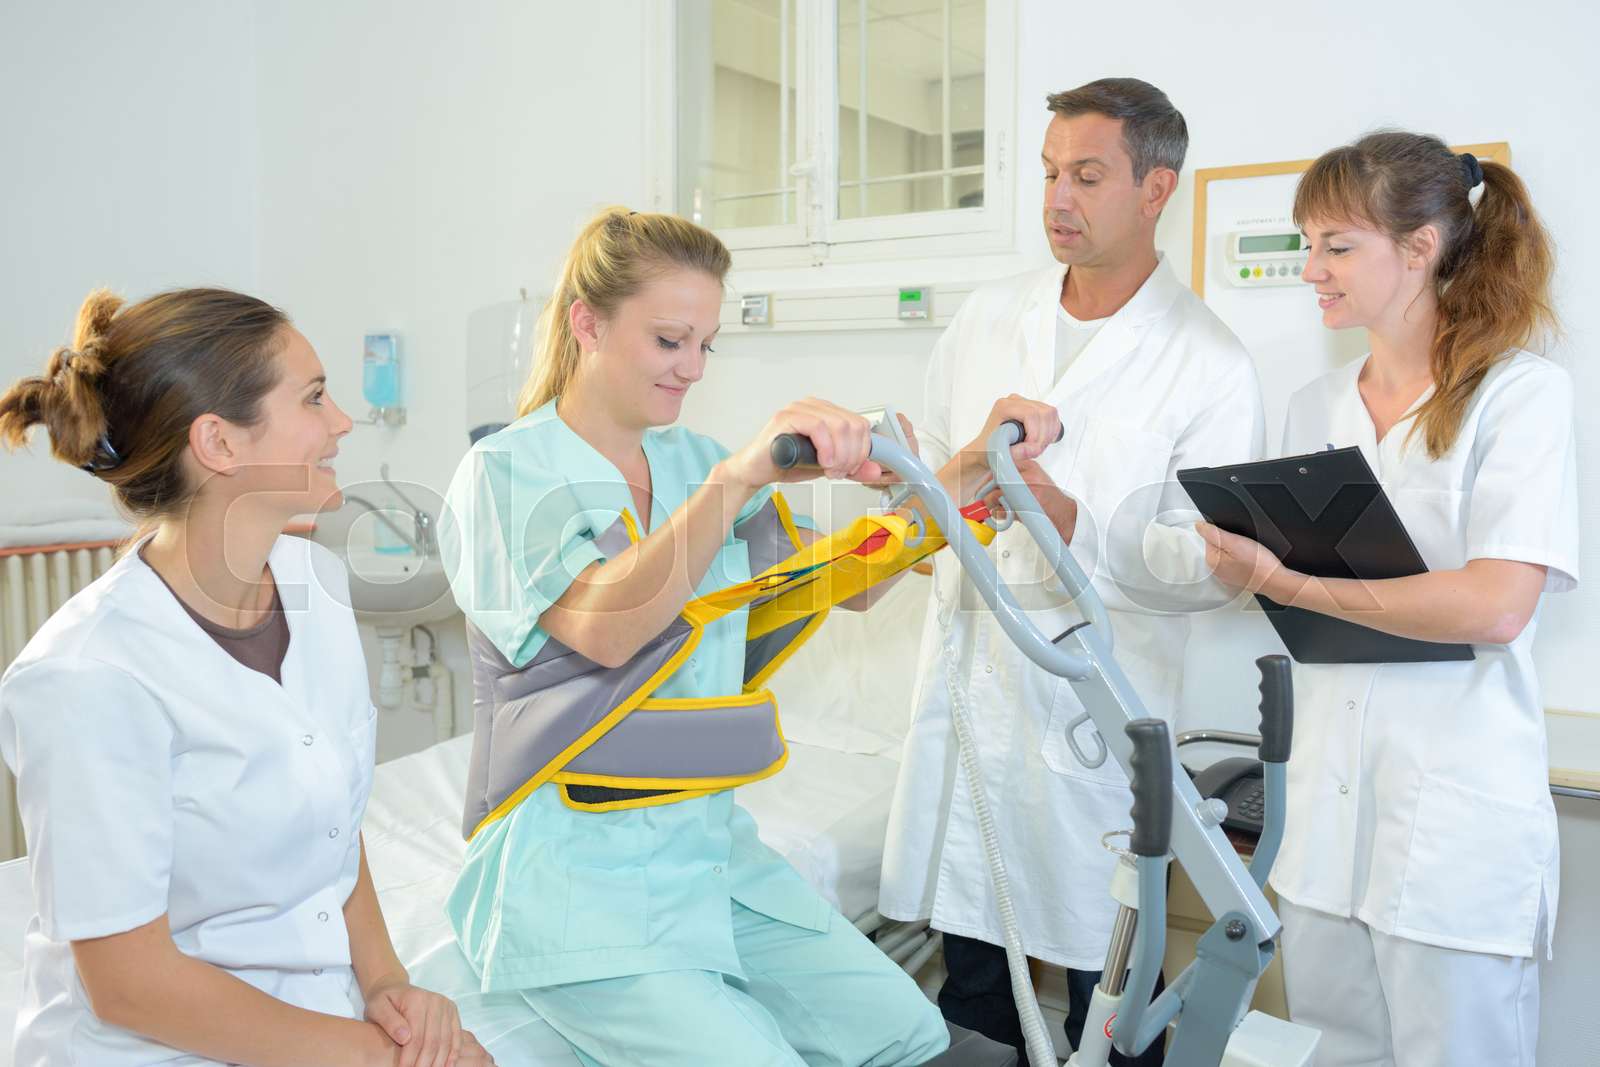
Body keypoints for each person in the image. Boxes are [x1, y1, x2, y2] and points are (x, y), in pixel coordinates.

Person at [438, 208, 962, 1067]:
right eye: (670, 340)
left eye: (705, 345)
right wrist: (737, 477)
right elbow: (604, 629)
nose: (691, 368)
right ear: (587, 323)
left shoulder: (693, 460)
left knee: (909, 1033)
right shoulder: (505, 473)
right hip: (577, 880)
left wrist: (954, 481)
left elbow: (840, 590)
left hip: (712, 856)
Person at [0, 288, 492, 1067]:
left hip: (316, 1019)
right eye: (315, 398)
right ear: (220, 444)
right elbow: (129, 983)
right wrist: (374, 1057)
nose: (341, 423)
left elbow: (333, 824)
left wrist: (388, 987)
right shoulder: (86, 674)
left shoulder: (315, 585)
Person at [878, 77, 1266, 1066]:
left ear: (1154, 189)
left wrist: (1074, 524)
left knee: (1117, 1004)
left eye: (1086, 175)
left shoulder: (1210, 362)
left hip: (1094, 737)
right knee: (976, 995)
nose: (1057, 196)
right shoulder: (985, 317)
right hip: (974, 705)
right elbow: (919, 489)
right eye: (1050, 171)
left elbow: (1215, 563)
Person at [1198, 132, 1575, 1067]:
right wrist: (1247, 579)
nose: (1310, 270)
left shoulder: (1518, 396)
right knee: (1330, 1054)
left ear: (1420, 249)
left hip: (1454, 821)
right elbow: (1315, 603)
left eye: (1336, 245)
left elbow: (1496, 606)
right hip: (1326, 821)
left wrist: (1289, 580)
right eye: (1306, 243)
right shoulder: (1312, 408)